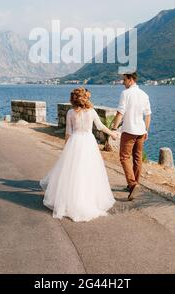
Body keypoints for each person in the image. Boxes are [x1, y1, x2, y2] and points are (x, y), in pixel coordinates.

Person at [40, 87, 118, 222]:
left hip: (75, 142)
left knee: (73, 171)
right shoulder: (91, 111)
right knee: (89, 171)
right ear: (85, 98)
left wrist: (66, 149)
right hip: (88, 142)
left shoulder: (70, 112)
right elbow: (100, 127)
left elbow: (68, 133)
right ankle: (88, 200)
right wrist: (112, 134)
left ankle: (72, 200)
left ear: (73, 99)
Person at [111, 72, 151, 201]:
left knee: (124, 157)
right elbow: (148, 115)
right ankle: (133, 184)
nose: (123, 82)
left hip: (129, 131)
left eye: (124, 80)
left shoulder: (126, 94)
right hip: (141, 131)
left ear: (131, 79)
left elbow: (120, 112)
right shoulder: (144, 94)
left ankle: (133, 184)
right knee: (137, 158)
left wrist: (114, 128)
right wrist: (146, 130)